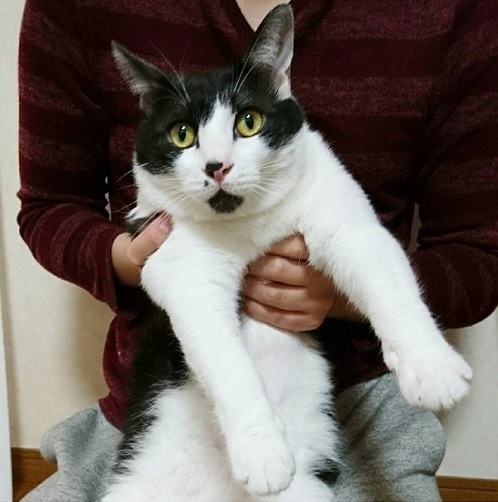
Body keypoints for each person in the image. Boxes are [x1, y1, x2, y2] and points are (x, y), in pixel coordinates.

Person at [17, 0, 498, 500]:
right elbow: (49, 208)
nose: (218, 164)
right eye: (183, 135)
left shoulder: (309, 165)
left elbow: (421, 246)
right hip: (174, 418)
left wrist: (395, 329)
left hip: (344, 407)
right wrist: (131, 258)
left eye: (245, 125)